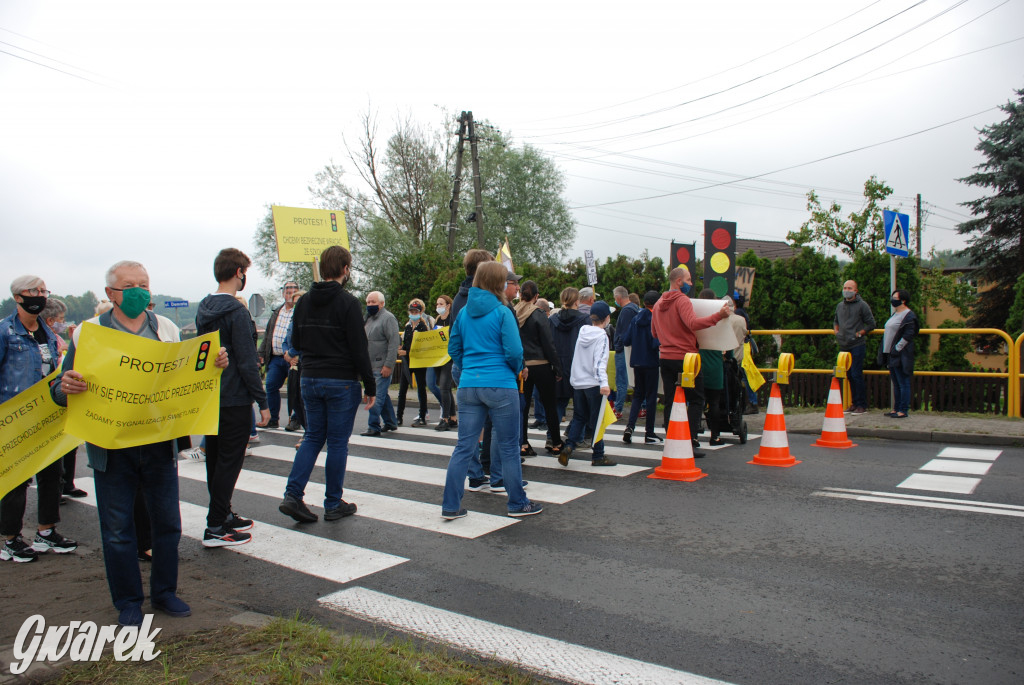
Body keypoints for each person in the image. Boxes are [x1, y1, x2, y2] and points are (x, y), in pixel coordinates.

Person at [53, 260, 229, 626]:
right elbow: (58, 388)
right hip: (110, 446)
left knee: (168, 524)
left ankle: (165, 593)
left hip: (158, 444)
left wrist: (214, 363)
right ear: (110, 293)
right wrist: (65, 387)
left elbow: (184, 375)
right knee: (117, 530)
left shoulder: (164, 327)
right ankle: (129, 601)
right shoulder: (87, 333)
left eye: (144, 284)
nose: (139, 291)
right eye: (130, 284)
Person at [279, 246, 375, 523]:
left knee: (312, 438)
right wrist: (370, 385)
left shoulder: (304, 301)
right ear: (345, 269)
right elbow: (359, 348)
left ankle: (293, 494)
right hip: (341, 380)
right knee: (337, 444)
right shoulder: (348, 303)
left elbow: (295, 342)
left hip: (309, 377)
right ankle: (333, 502)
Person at [441, 261, 542, 519]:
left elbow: (454, 349)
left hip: (468, 386)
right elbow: (514, 351)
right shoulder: (502, 312)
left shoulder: (463, 312)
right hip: (501, 384)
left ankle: (451, 505)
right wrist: (517, 368)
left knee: (464, 446)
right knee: (508, 447)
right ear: (498, 283)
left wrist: (468, 368)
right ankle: (517, 503)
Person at [195, 248, 271, 547]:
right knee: (230, 462)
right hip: (236, 397)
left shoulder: (204, 307)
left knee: (215, 458)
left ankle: (223, 513)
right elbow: (247, 360)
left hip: (212, 394)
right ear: (239, 272)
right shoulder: (237, 312)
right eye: (245, 272)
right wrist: (262, 401)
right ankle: (215, 526)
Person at [1, 276, 78, 563]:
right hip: (15, 417)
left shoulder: (47, 333)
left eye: (44, 291)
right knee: (17, 479)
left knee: (51, 474)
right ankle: (10, 538)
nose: (40, 295)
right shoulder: (5, 332)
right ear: (18, 296)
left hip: (47, 414)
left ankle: (46, 530)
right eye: (33, 291)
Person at [651, 267, 730, 458]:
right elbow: (693, 324)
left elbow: (654, 333)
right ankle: (691, 440)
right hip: (686, 357)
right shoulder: (682, 301)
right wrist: (718, 316)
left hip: (665, 357)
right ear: (679, 281)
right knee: (696, 399)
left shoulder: (659, 303)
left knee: (671, 399)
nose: (691, 283)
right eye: (688, 280)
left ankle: (672, 438)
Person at [557, 301, 616, 467]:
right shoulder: (602, 337)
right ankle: (598, 455)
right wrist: (604, 383)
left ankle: (569, 445)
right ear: (606, 318)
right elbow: (599, 362)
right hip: (594, 383)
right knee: (597, 421)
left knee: (579, 417)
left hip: (579, 383)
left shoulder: (582, 332)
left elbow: (577, 359)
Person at [40, 297, 88, 499]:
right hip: (49, 397)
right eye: (61, 319)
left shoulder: (57, 338)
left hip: (65, 396)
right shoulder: (39, 337)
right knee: (51, 454)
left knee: (69, 445)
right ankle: (56, 489)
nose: (63, 322)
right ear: (50, 320)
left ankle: (67, 483)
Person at [515, 280, 563, 456]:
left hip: (522, 366)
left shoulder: (513, 313)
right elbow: (548, 343)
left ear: (520, 295)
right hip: (541, 365)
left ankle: (523, 443)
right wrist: (557, 368)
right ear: (536, 297)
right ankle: (555, 443)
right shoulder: (539, 314)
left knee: (523, 407)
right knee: (549, 404)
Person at [258, 280, 300, 429]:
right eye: (287, 292)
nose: (290, 294)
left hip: (294, 358)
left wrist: (292, 353)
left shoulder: (300, 311)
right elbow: (269, 334)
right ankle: (273, 418)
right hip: (276, 357)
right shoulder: (277, 312)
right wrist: (261, 353)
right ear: (283, 293)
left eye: (293, 292)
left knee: (295, 389)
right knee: (270, 385)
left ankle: (296, 419)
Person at [622, 291, 661, 444]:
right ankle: (649, 432)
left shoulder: (635, 319)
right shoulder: (655, 320)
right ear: (657, 304)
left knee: (637, 395)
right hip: (651, 362)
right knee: (651, 397)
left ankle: (629, 427)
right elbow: (655, 343)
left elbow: (626, 340)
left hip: (636, 361)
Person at [361, 290, 400, 437]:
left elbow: (393, 342)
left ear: (382, 304)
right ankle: (390, 422)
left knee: (376, 396)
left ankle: (373, 426)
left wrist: (389, 364)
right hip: (370, 365)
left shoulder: (388, 318)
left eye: (373, 302)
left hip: (381, 365)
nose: (370, 304)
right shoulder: (368, 318)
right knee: (382, 395)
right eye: (368, 302)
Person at [834, 280, 876, 415]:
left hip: (857, 344)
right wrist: (837, 332)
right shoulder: (840, 306)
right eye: (845, 287)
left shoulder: (862, 305)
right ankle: (853, 403)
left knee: (856, 374)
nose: (847, 290)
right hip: (844, 344)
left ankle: (861, 405)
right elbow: (836, 321)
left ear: (856, 291)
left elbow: (871, 324)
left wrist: (859, 334)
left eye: (850, 288)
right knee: (849, 375)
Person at [550, 287, 589, 423]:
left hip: (558, 365)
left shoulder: (553, 320)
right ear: (577, 302)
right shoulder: (585, 320)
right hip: (578, 365)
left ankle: (552, 437)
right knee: (580, 405)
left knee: (558, 403)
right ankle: (575, 436)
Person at [879, 289, 918, 419]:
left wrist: (897, 348)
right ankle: (896, 408)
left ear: (903, 300)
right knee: (896, 382)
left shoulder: (909, 316)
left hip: (901, 354)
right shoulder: (894, 314)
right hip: (891, 353)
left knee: (903, 382)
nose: (892, 300)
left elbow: (909, 335)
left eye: (895, 297)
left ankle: (903, 410)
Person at [396, 299, 433, 427]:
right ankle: (398, 416)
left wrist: (407, 352)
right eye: (411, 311)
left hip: (418, 361)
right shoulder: (407, 326)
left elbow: (422, 347)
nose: (413, 313)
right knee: (402, 389)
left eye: (415, 311)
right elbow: (406, 344)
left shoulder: (423, 327)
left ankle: (422, 416)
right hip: (407, 361)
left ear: (420, 312)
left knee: (421, 388)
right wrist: (401, 349)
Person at [697, 289, 727, 446]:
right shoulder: (720, 320)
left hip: (697, 364)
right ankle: (715, 436)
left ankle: (693, 435)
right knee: (714, 402)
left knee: (696, 402)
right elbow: (728, 347)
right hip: (715, 366)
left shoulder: (696, 317)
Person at [612, 286, 640, 419]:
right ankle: (642, 406)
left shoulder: (627, 311)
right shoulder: (634, 309)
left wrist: (618, 343)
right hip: (631, 349)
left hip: (623, 350)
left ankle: (618, 408)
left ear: (618, 297)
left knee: (621, 381)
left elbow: (624, 333)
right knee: (633, 380)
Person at [432, 294, 457, 431]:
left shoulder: (452, 319)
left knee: (444, 387)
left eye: (441, 304)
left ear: (448, 305)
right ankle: (453, 417)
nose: (438, 307)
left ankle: (445, 419)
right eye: (437, 304)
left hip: (448, 358)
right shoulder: (437, 320)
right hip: (438, 358)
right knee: (445, 388)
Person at [283, 289, 306, 433]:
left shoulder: (308, 318)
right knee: (294, 396)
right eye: (294, 303)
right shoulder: (293, 319)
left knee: (303, 398)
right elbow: (287, 340)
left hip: (303, 363)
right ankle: (297, 419)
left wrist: (293, 354)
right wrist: (287, 354)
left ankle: (307, 430)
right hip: (293, 363)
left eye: (299, 302)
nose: (296, 305)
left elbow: (304, 342)